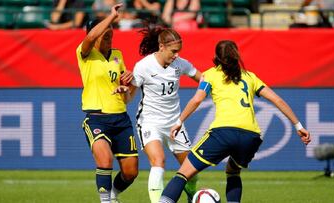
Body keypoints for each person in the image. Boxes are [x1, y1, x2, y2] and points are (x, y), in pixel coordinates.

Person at [158, 40, 312, 203]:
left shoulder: (210, 74)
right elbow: (278, 100)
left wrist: (179, 121)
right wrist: (298, 126)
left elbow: (197, 100)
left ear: (216, 57)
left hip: (223, 132)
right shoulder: (250, 76)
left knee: (183, 173)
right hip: (251, 136)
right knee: (232, 171)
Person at [129, 26, 202, 203]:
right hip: (149, 122)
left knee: (191, 171)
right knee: (158, 161)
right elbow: (128, 97)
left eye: (179, 51)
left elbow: (204, 79)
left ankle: (191, 195)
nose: (176, 55)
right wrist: (124, 89)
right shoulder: (143, 67)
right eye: (173, 51)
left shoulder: (180, 64)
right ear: (161, 46)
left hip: (174, 123)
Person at [76, 4, 139, 203]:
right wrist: (111, 17)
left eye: (112, 34)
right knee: (105, 160)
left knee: (131, 172)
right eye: (105, 34)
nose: (110, 37)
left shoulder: (117, 55)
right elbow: (89, 38)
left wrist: (130, 84)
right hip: (97, 119)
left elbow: (128, 94)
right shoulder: (85, 53)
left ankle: (112, 194)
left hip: (121, 119)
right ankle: (105, 200)